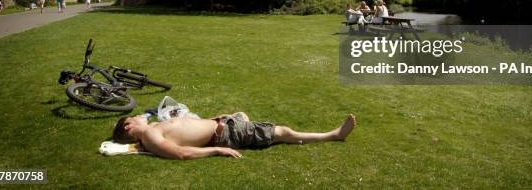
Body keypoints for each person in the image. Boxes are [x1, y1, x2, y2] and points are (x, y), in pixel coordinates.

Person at [112, 112, 357, 160]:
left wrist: (218, 118)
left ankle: (244, 123)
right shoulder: (151, 138)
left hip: (223, 125)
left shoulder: (153, 129)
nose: (139, 116)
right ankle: (334, 135)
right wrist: (218, 150)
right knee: (284, 132)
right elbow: (181, 153)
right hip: (227, 134)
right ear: (128, 127)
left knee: (240, 112)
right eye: (133, 118)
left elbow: (188, 128)